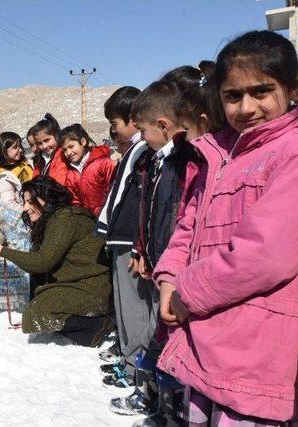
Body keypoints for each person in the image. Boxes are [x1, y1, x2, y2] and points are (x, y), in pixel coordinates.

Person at [155, 30, 298, 425]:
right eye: (233, 96)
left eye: (262, 91)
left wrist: (187, 291)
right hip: (207, 336)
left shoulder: (291, 151)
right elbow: (189, 224)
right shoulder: (220, 153)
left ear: (291, 88)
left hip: (256, 350)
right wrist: (168, 276)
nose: (246, 107)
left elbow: (266, 254)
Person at [109, 79, 192, 419]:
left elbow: (179, 217)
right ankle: (155, 399)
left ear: (162, 125)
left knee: (166, 335)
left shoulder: (180, 162)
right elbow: (150, 211)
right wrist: (144, 250)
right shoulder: (157, 160)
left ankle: (166, 405)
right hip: (157, 259)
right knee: (160, 335)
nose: (140, 138)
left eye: (142, 130)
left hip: (174, 268)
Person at [0, 176, 113, 346]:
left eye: (30, 202)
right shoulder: (51, 221)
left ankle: (96, 325)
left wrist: (1, 250)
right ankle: (89, 328)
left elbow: (43, 262)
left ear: (47, 198)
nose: (25, 208)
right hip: (77, 285)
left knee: (38, 312)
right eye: (24, 202)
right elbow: (36, 265)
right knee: (36, 309)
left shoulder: (65, 219)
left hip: (92, 289)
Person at [96, 86, 150, 387]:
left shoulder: (143, 153)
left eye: (115, 124)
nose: (112, 131)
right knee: (126, 308)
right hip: (123, 240)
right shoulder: (134, 152)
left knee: (134, 309)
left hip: (132, 241)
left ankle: (136, 370)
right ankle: (130, 362)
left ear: (133, 119)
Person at [60, 123, 116, 216]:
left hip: (110, 215)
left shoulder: (104, 163)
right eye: (65, 150)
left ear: (83, 142)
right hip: (89, 220)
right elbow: (75, 202)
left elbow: (115, 188)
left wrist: (101, 210)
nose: (68, 153)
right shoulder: (71, 174)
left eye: (71, 146)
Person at [0, 131, 33, 210]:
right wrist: (30, 209)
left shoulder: (27, 164)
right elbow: (9, 205)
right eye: (15, 147)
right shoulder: (5, 178)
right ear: (3, 151)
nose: (20, 150)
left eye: (20, 146)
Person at [31, 113, 69, 186]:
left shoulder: (63, 155)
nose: (44, 146)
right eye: (39, 143)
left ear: (56, 135)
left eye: (47, 140)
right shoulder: (40, 159)